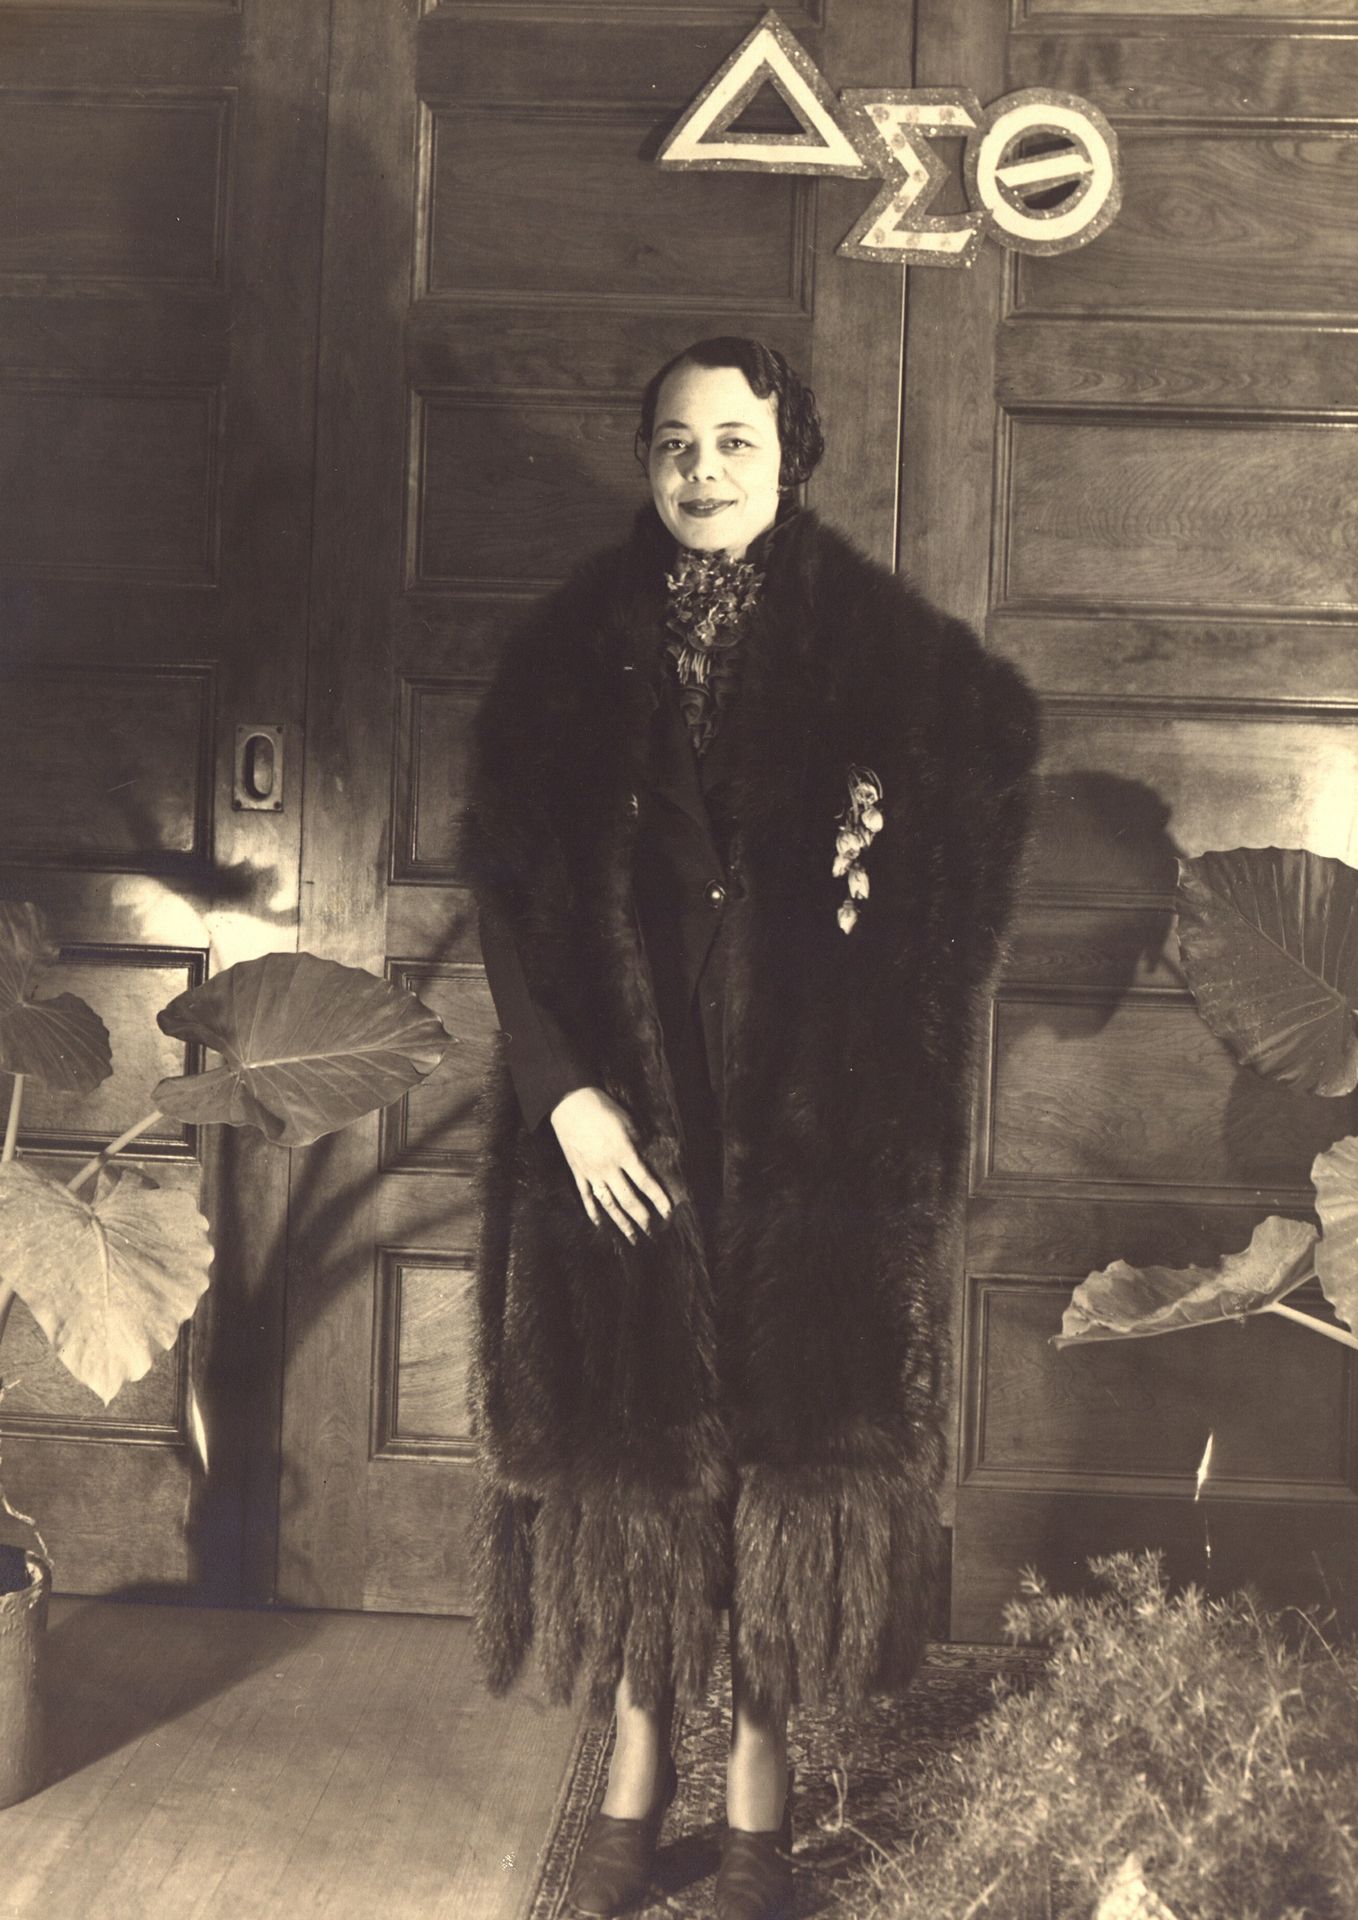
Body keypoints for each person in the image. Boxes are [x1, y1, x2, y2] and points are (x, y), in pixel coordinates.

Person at [463, 337, 1039, 1920]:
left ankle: (758, 1816)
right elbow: (506, 901)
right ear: (645, 464)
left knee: (789, 1457)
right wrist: (563, 1094)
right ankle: (634, 1795)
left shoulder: (880, 655)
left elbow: (989, 760)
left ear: (792, 455)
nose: (701, 468)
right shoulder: (567, 656)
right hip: (618, 1119)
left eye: (733, 438)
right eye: (671, 443)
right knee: (641, 1459)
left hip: (806, 1128)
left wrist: (885, 886)